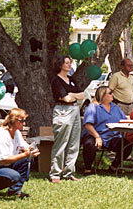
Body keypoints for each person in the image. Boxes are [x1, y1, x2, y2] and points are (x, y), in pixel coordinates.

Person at [0, 108, 40, 199]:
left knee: (27, 160)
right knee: (14, 176)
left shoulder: (16, 132)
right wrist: (25, 154)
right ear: (14, 121)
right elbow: (3, 161)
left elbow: (24, 146)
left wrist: (30, 150)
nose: (24, 124)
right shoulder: (1, 135)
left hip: (2, 166)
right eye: (22, 121)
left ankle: (15, 191)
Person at [82, 86, 132, 174]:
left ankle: (113, 167)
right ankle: (88, 169)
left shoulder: (115, 107)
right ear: (103, 95)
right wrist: (97, 137)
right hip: (95, 135)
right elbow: (88, 125)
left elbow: (124, 120)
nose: (112, 95)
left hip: (112, 137)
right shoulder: (93, 107)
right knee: (89, 144)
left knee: (127, 146)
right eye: (110, 93)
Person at [49, 55, 84, 183]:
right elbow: (66, 98)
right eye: (67, 63)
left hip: (75, 110)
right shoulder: (56, 81)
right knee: (61, 142)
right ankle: (55, 173)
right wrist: (71, 96)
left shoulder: (72, 79)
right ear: (60, 65)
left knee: (74, 143)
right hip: (63, 111)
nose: (69, 65)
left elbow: (81, 95)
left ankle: (69, 172)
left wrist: (71, 95)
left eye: (70, 63)